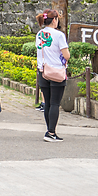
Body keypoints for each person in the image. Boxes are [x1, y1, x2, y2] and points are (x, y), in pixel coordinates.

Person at [36, 10, 70, 142]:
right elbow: (66, 55)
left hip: (43, 71)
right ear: (54, 20)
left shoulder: (39, 34)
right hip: (56, 72)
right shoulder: (59, 35)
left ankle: (49, 130)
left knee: (48, 103)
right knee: (55, 103)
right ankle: (51, 132)